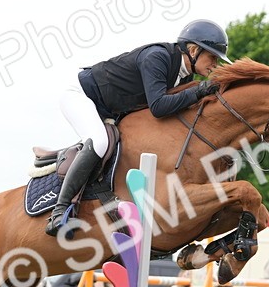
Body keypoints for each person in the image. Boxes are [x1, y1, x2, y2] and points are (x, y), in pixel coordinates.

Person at [45, 19, 230, 236]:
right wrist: (199, 91)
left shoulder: (184, 75)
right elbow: (159, 107)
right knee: (100, 141)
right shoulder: (157, 57)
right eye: (212, 57)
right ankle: (59, 211)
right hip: (81, 96)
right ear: (193, 50)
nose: (215, 64)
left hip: (111, 110)